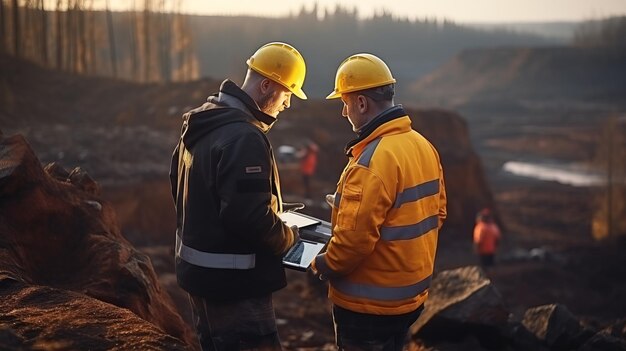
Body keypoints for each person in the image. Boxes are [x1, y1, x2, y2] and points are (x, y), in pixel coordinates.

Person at [169, 42, 307, 351]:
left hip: (199, 276)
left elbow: (177, 181)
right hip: (234, 286)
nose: (286, 105)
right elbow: (250, 217)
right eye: (287, 94)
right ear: (267, 85)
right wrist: (288, 238)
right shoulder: (244, 137)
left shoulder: (203, 119)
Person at [311, 53, 447, 351]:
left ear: (361, 103)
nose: (343, 113)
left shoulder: (371, 162)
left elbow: (353, 243)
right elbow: (437, 213)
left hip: (367, 307)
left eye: (345, 103)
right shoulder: (423, 146)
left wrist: (322, 264)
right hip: (411, 298)